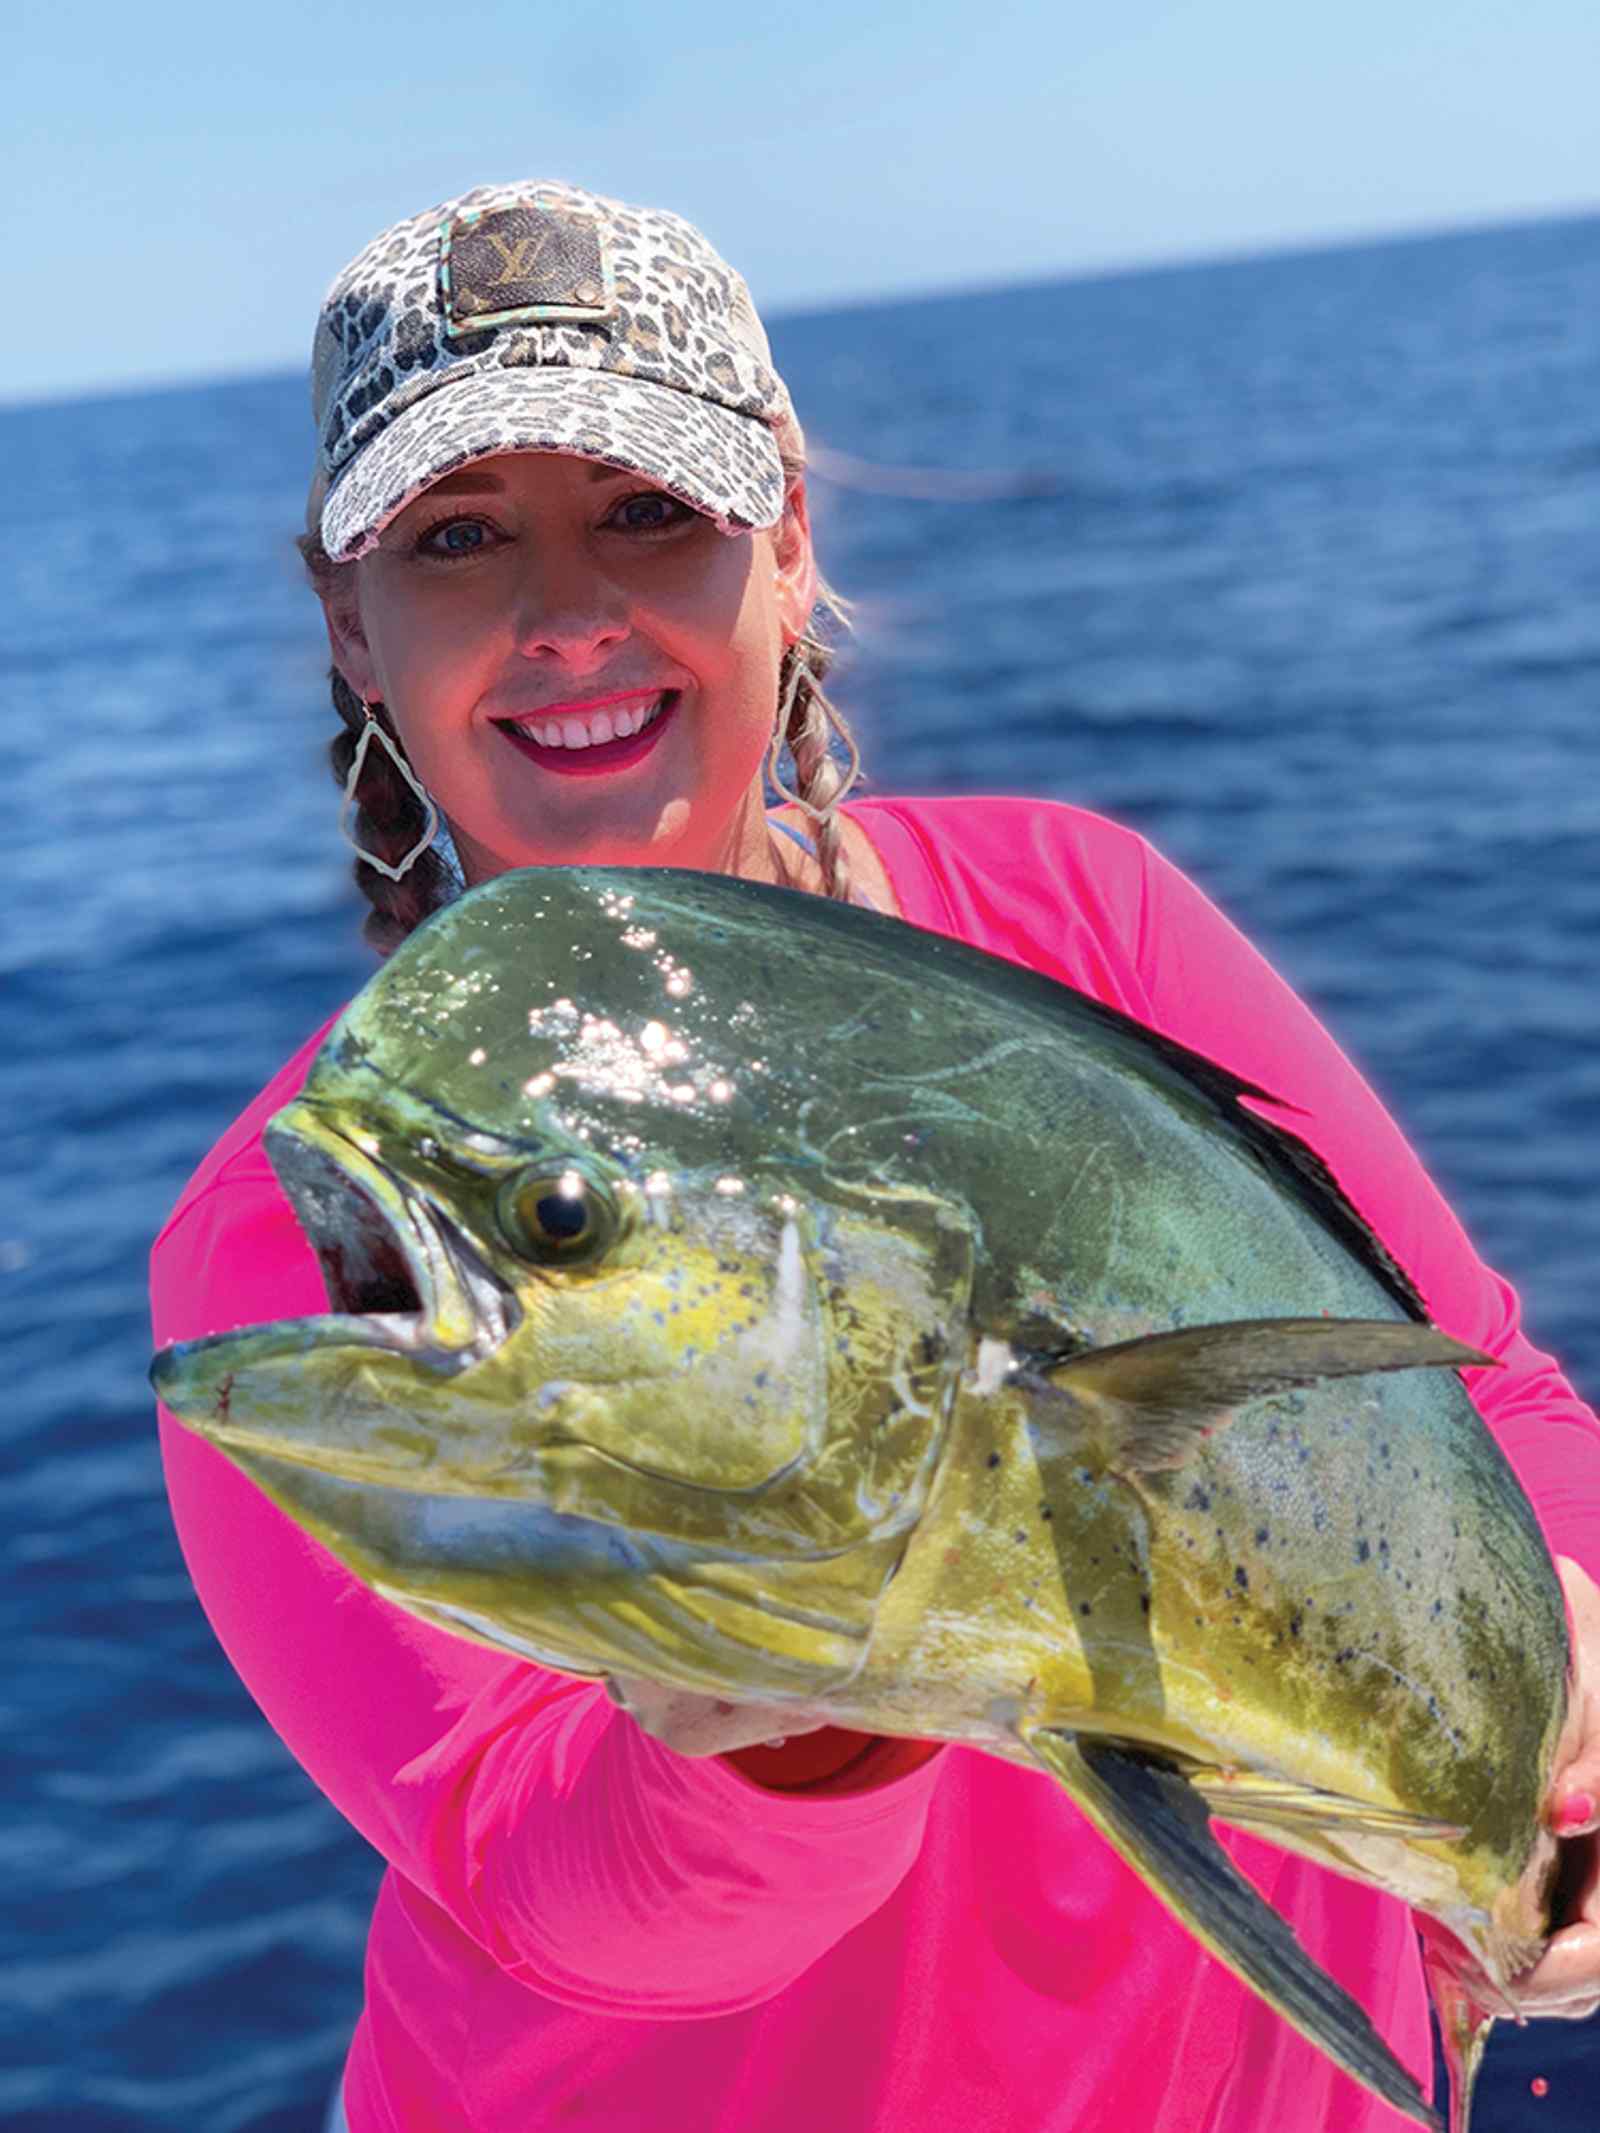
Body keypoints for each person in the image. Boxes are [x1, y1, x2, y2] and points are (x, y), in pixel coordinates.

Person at [150, 179, 1600, 2133]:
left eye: (646, 509)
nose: (565, 615)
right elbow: (544, 1877)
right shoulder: (302, 1237)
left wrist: (1569, 1734)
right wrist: (777, 1732)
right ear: (351, 620)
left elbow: (1476, 1398)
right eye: (457, 536)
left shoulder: (1082, 919)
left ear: (785, 538)